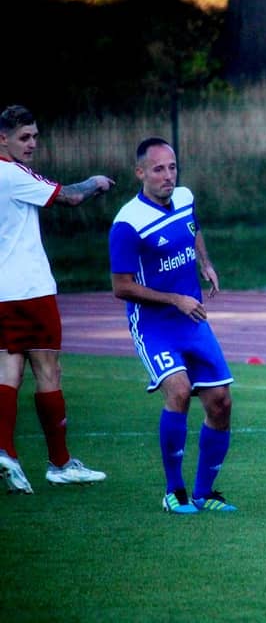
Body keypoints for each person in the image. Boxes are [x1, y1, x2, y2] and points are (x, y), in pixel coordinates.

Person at [109, 137, 237, 514]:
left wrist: (205, 263)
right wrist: (175, 299)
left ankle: (204, 493)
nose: (168, 176)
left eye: (172, 167)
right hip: (154, 326)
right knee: (179, 392)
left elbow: (193, 229)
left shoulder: (184, 197)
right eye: (158, 169)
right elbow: (121, 287)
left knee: (221, 402)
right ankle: (173, 491)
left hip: (192, 321)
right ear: (140, 173)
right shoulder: (128, 224)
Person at [0, 104, 113, 494]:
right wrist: (95, 182)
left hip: (2, 292)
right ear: (2, 139)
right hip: (31, 289)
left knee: (8, 370)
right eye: (24, 137)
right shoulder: (13, 173)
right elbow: (69, 197)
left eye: (35, 136)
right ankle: (60, 463)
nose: (32, 144)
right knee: (49, 371)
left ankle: (6, 453)